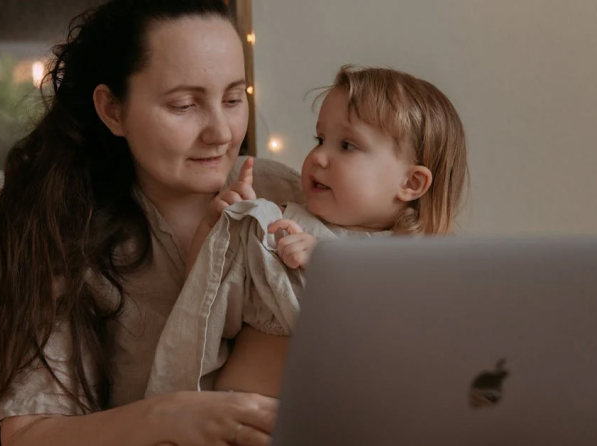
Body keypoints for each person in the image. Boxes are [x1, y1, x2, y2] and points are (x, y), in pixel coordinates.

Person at [0, 1, 302, 445]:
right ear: (113, 111)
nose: (222, 132)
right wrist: (170, 417)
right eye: (184, 105)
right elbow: (28, 435)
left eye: (234, 99)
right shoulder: (69, 238)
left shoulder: (283, 191)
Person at [146, 65, 469, 399]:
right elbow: (205, 295)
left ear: (410, 183)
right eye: (320, 139)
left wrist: (333, 266)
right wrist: (216, 227)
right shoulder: (277, 223)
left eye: (347, 145)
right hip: (235, 420)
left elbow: (412, 348)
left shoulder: (414, 260)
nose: (318, 157)